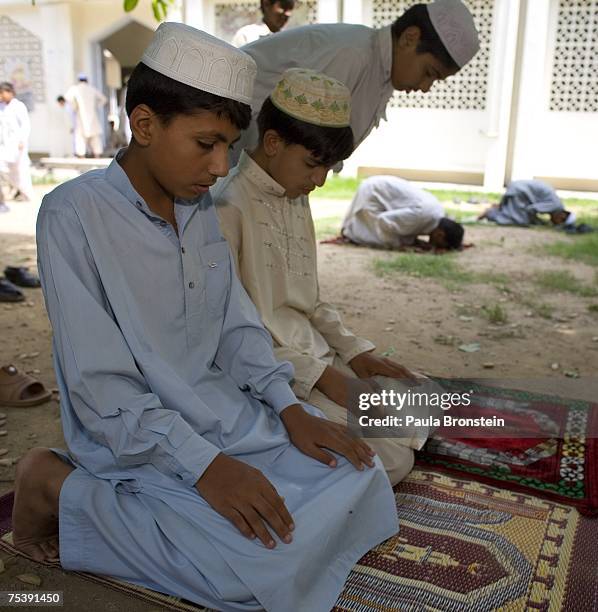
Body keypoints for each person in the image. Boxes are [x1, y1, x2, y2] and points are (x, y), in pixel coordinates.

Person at [14, 23, 398, 612]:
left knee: (365, 478)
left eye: (229, 146)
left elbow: (236, 327)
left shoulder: (197, 206)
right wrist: (206, 468)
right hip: (138, 439)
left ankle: (179, 519)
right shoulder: (73, 215)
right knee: (255, 575)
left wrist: (290, 408)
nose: (221, 166)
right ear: (145, 126)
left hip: (227, 418)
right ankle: (57, 486)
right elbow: (100, 385)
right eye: (206, 144)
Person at [215, 69, 434, 486]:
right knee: (389, 459)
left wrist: (354, 352)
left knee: (421, 397)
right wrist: (323, 379)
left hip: (317, 356)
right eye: (314, 165)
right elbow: (229, 334)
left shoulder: (294, 192)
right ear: (274, 143)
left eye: (328, 170)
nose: (319, 181)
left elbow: (310, 301)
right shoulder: (228, 204)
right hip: (271, 374)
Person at [232, 0, 479, 164]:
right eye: (429, 73)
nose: (425, 88)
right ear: (409, 38)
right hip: (232, 155)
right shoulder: (353, 55)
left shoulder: (380, 70)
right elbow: (291, 152)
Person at [341, 175, 464, 250]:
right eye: (441, 245)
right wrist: (400, 245)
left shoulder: (437, 211)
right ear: (440, 234)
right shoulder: (421, 217)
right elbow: (384, 220)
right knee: (377, 239)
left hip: (380, 185)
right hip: (373, 192)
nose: (437, 247)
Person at [478, 179, 576, 228]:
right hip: (520, 192)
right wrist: (539, 222)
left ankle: (495, 209)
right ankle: (490, 213)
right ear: (562, 216)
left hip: (520, 190)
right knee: (517, 221)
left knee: (515, 216)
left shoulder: (556, 204)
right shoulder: (555, 205)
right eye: (558, 222)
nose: (553, 222)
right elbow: (531, 209)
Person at [0, 82, 33, 201]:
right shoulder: (2, 106)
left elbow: (25, 125)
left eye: (3, 93)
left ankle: (24, 193)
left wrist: (22, 140)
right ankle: (12, 190)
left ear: (10, 92)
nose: (1, 96)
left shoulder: (19, 106)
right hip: (5, 144)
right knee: (3, 167)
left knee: (20, 169)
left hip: (18, 144)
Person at [64, 73, 107, 158]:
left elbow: (67, 98)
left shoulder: (75, 88)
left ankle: (82, 156)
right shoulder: (92, 89)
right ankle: (97, 155)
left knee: (80, 137)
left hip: (80, 116)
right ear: (87, 80)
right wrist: (96, 106)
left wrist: (74, 106)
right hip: (92, 116)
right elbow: (104, 99)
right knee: (95, 137)